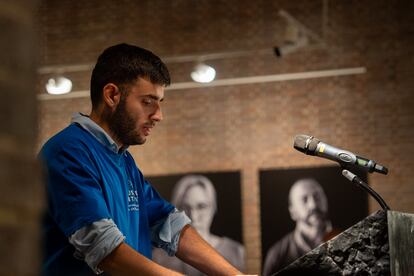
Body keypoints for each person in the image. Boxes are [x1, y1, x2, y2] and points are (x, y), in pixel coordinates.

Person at [39, 43, 243, 276]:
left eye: (159, 103)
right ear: (112, 95)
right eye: (147, 102)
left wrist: (234, 275)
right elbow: (105, 250)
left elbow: (169, 224)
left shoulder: (123, 160)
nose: (158, 115)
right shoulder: (67, 152)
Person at [153, 175, 245, 275]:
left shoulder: (238, 252)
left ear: (213, 208)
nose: (193, 217)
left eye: (201, 207)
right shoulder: (158, 257)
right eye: (185, 207)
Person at [263, 178, 337, 276]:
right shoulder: (277, 255)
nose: (313, 205)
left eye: (317, 197)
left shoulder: (350, 237)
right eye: (304, 199)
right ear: (293, 212)